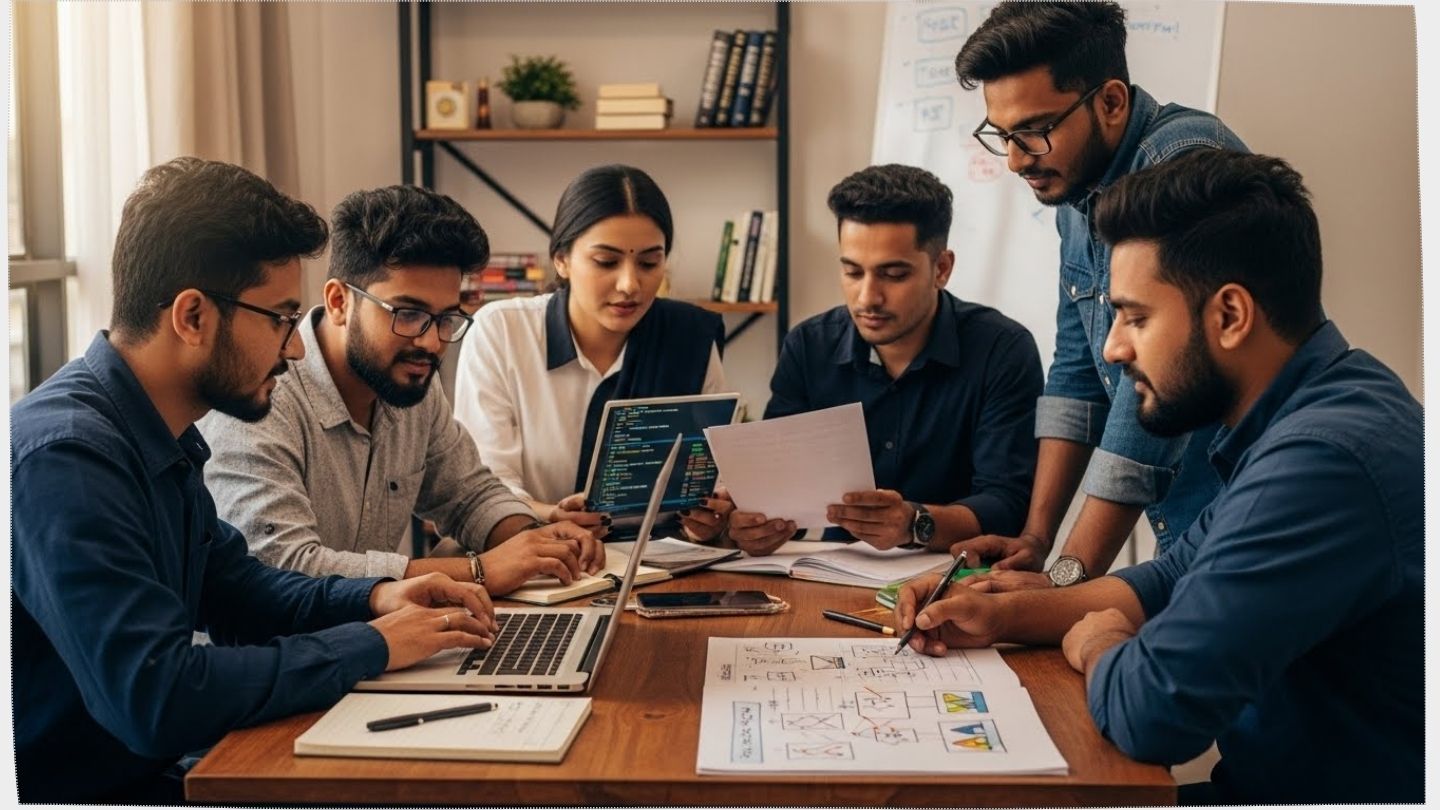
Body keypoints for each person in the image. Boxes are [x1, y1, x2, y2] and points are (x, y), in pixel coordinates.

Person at [895, 151, 1422, 804]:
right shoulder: (1325, 401)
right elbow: (1169, 580)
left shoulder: (1324, 460)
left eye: (1136, 317)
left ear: (1230, 315)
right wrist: (1002, 611)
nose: (1114, 348)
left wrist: (1099, 641)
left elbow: (1155, 714)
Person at [10, 158, 500, 804]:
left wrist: (379, 599)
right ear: (192, 317)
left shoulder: (162, 431)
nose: (295, 349)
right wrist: (372, 646)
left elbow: (239, 592)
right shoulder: (68, 458)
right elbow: (156, 698)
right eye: (279, 319)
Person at [947, 1, 1249, 589]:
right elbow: (1076, 373)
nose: (1014, 161)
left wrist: (1062, 583)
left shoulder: (1180, 170)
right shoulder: (1077, 190)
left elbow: (1154, 393)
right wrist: (1037, 540)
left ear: (1111, 101)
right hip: (1187, 530)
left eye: (1034, 132)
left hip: (1243, 516)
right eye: (1002, 135)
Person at [201, 185, 601, 596]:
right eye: (408, 314)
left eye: (447, 318)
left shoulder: (408, 382)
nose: (431, 343)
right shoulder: (259, 397)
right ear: (339, 301)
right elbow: (282, 565)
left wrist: (539, 544)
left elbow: (468, 494)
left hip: (374, 639)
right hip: (280, 653)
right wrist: (479, 572)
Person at [727, 164, 1043, 556]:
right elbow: (774, 489)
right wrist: (752, 524)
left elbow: (1008, 505)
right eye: (852, 272)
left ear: (941, 268)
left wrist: (914, 523)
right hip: (827, 575)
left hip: (957, 582)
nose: (867, 298)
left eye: (893, 275)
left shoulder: (1003, 350)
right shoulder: (808, 346)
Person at [453, 164, 732, 542]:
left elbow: (712, 482)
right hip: (535, 556)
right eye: (606, 262)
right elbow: (484, 490)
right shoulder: (502, 332)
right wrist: (550, 516)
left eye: (649, 263)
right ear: (562, 259)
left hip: (662, 564)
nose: (630, 284)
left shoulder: (691, 338)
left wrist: (710, 518)